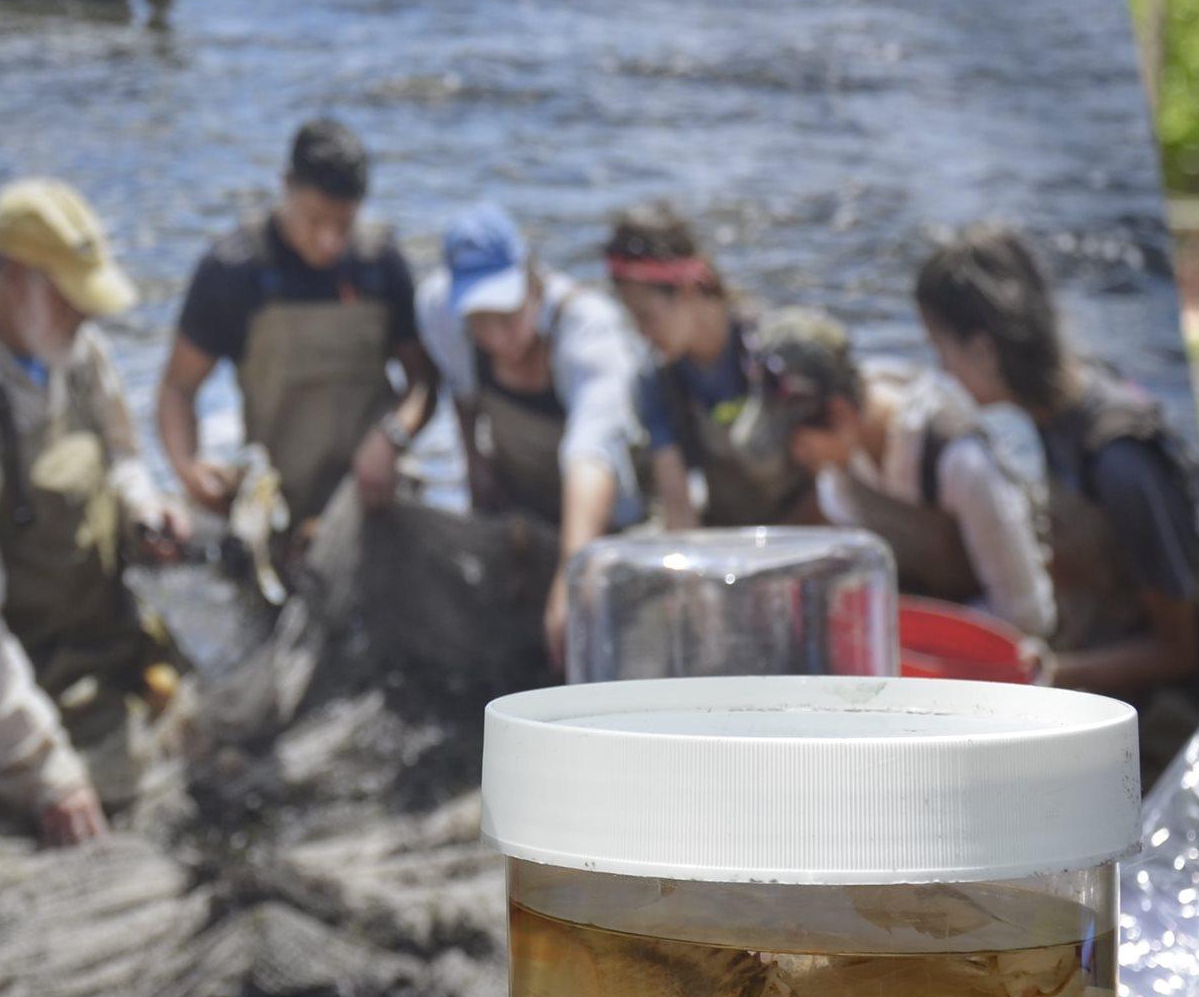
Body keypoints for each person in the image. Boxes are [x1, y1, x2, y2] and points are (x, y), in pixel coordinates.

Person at [0, 180, 189, 848]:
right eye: (71, 295)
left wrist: (144, 509)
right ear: (13, 278)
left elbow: (122, 456)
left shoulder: (74, 346)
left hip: (101, 637)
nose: (87, 313)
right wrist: (44, 772)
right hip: (10, 678)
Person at [914, 224, 1199, 780]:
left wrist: (1050, 676)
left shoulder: (1122, 463)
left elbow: (1180, 651)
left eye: (940, 348)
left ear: (983, 350)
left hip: (1163, 737)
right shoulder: (1055, 413)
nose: (941, 369)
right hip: (1097, 688)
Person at [154, 119, 436, 529]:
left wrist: (393, 436)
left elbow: (424, 383)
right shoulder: (233, 271)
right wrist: (188, 468)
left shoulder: (381, 264)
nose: (329, 242)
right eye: (314, 221)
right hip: (277, 494)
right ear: (286, 187)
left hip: (371, 486)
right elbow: (178, 390)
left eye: (344, 225)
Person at [413, 204, 645, 668]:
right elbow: (463, 394)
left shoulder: (588, 330)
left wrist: (571, 576)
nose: (497, 336)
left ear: (532, 283)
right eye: (480, 320)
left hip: (609, 520)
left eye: (507, 314)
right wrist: (476, 469)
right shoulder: (439, 309)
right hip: (523, 508)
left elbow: (590, 456)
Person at [750, 309, 1057, 640]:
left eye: (798, 443)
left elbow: (1027, 617)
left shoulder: (960, 462)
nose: (797, 458)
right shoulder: (842, 466)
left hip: (990, 636)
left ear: (840, 413)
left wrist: (914, 631)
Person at [608, 203, 814, 529]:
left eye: (646, 316)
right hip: (730, 535)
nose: (641, 333)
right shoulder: (656, 382)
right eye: (632, 319)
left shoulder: (775, 353)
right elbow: (677, 507)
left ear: (688, 291)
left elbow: (831, 478)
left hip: (805, 529)